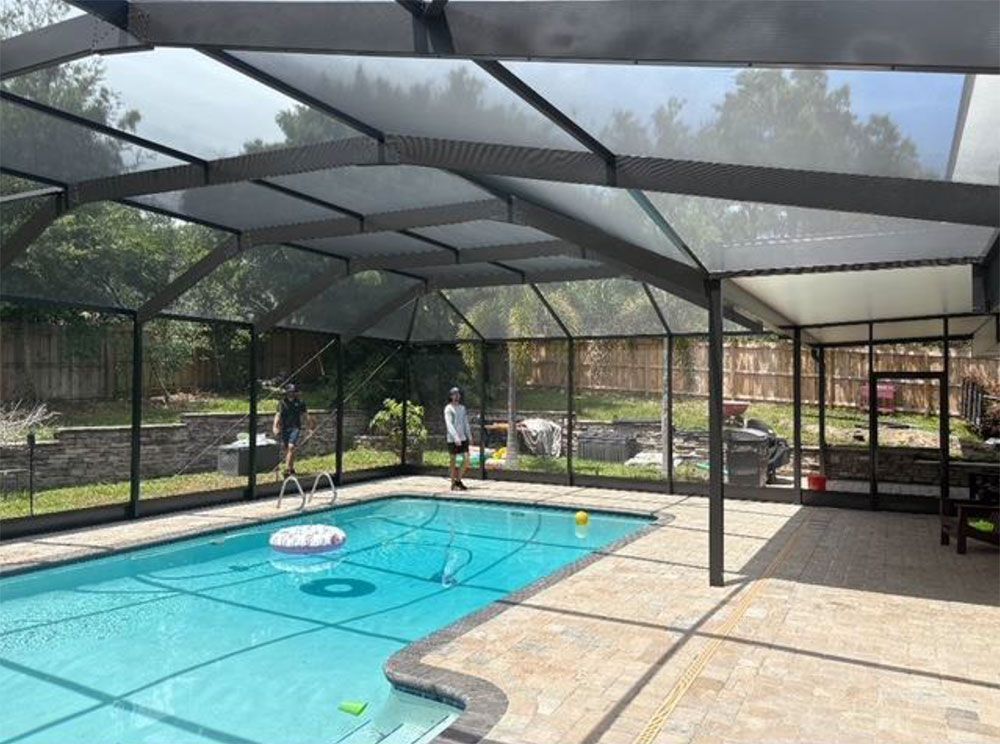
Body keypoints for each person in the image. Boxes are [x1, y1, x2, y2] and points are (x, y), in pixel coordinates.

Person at [273, 383, 312, 478]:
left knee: (291, 447)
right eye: (291, 392)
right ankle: (291, 468)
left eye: (294, 392)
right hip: (285, 428)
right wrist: (275, 426)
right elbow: (278, 415)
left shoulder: (300, 403)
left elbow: (306, 416)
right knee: (289, 449)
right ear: (287, 392)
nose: (292, 393)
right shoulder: (282, 403)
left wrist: (311, 428)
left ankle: (286, 470)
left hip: (295, 427)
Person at [444, 386, 473, 491]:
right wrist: (455, 437)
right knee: (453, 460)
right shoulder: (448, 408)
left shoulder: (462, 408)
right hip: (452, 439)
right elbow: (449, 424)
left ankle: (458, 480)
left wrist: (469, 435)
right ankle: (452, 483)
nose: (456, 396)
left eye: (458, 394)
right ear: (450, 396)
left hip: (463, 438)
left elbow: (465, 423)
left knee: (466, 460)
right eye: (454, 394)